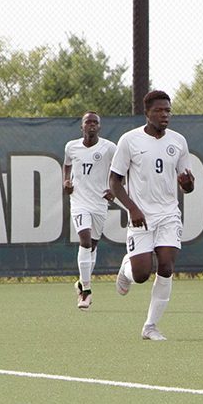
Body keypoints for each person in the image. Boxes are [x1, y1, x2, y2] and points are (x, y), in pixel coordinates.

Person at [109, 90, 195, 341]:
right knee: (141, 275)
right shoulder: (130, 140)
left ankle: (150, 327)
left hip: (169, 213)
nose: (165, 115)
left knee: (166, 266)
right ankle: (125, 271)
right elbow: (114, 182)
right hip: (141, 216)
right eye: (159, 110)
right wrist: (132, 208)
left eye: (168, 110)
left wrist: (188, 184)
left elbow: (187, 186)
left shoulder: (178, 141)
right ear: (147, 113)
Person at [63, 111, 117, 310]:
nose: (92, 125)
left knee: (92, 246)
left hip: (99, 202)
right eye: (88, 122)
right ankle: (86, 291)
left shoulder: (109, 148)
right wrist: (66, 182)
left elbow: (123, 170)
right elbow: (67, 165)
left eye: (95, 122)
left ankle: (80, 282)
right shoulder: (71, 146)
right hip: (79, 201)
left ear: (99, 127)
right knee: (85, 242)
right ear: (82, 126)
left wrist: (114, 190)